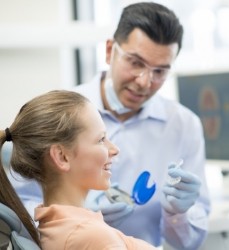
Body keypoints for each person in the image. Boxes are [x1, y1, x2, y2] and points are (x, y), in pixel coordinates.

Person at [12, 2, 211, 249]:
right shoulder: (64, 115)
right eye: (136, 63)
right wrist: (78, 212)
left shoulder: (183, 126)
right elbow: (16, 206)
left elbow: (188, 243)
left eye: (159, 71)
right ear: (109, 51)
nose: (144, 82)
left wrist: (178, 214)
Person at [0, 90, 157, 249]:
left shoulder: (57, 227)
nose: (115, 149)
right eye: (101, 139)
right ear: (62, 157)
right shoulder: (91, 237)